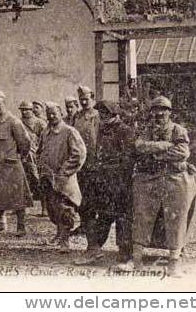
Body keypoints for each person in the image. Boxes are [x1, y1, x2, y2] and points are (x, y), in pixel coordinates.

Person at [116, 96, 196, 277]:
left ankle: (174, 262)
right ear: (151, 112)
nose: (159, 113)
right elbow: (139, 147)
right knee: (141, 216)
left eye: (163, 110)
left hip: (174, 177)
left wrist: (155, 152)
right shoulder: (146, 130)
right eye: (156, 110)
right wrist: (163, 146)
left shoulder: (178, 130)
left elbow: (182, 152)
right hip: (149, 178)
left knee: (176, 218)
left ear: (169, 112)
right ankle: (136, 261)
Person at [75, 100, 135, 266]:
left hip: (120, 182)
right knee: (98, 214)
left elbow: (128, 159)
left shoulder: (125, 131)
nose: (103, 116)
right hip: (102, 180)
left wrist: (112, 171)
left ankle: (125, 255)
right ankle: (94, 249)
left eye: (106, 113)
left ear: (115, 114)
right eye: (101, 113)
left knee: (122, 218)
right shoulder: (101, 129)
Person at [36, 102, 86, 252]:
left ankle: (65, 242)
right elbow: (40, 151)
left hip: (64, 179)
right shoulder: (46, 132)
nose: (51, 116)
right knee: (53, 209)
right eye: (49, 114)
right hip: (48, 178)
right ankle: (59, 235)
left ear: (60, 113)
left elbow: (79, 154)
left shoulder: (69, 132)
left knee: (65, 210)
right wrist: (41, 167)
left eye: (54, 113)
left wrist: (64, 171)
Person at [0, 91, 32, 235]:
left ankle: (21, 226)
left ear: (5, 104)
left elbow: (25, 142)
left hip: (11, 165)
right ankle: (1, 222)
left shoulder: (13, 121)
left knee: (18, 195)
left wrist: (20, 156)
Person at [73, 85, 100, 237]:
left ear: (92, 98)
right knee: (81, 193)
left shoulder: (98, 116)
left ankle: (93, 226)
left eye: (86, 99)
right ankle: (83, 224)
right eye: (81, 100)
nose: (84, 102)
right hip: (80, 162)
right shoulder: (76, 117)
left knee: (93, 194)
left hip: (94, 161)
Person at [18, 101, 44, 213]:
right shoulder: (18, 122)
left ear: (31, 110)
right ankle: (24, 207)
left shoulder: (39, 123)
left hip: (35, 155)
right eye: (22, 110)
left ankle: (45, 207)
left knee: (39, 180)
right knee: (23, 180)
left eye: (26, 109)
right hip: (22, 155)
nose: (24, 112)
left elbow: (45, 138)